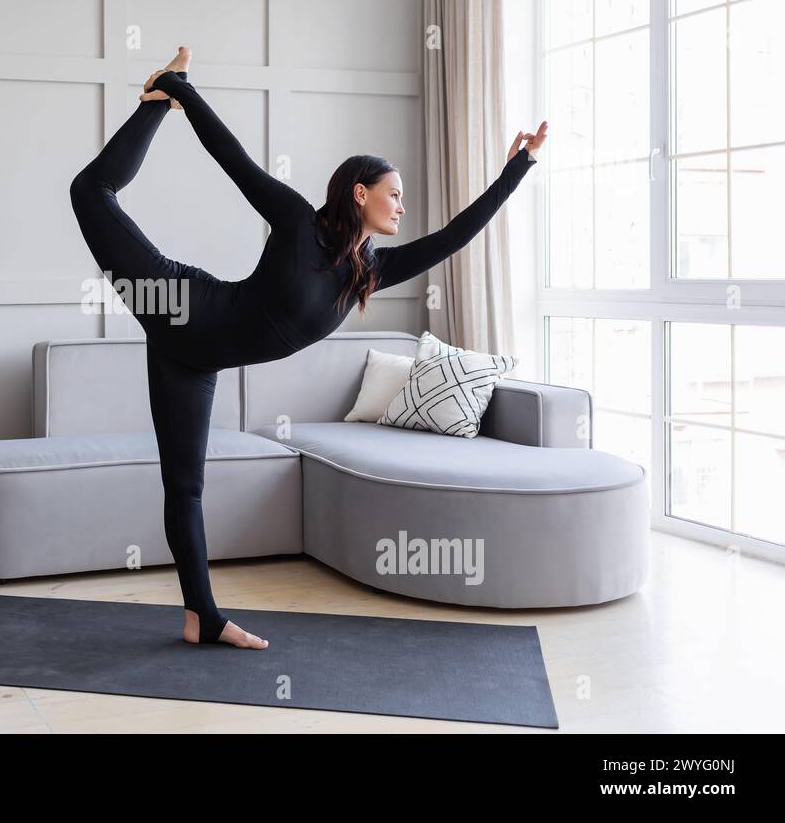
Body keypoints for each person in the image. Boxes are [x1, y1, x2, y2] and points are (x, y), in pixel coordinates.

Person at [69, 46, 548, 648]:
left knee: (184, 487)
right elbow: (233, 160)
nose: (402, 205)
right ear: (358, 193)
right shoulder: (299, 222)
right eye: (393, 193)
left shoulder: (369, 272)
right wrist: (180, 90)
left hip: (194, 358)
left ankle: (202, 616)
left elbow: (456, 237)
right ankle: (156, 100)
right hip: (180, 302)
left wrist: (516, 169)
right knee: (90, 191)